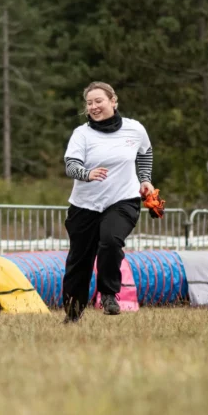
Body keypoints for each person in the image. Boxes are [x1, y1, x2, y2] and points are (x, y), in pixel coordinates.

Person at [61, 81, 155, 323]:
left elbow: (145, 152)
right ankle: (72, 314)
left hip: (123, 199)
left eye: (98, 101)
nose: (93, 106)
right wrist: (87, 174)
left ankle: (109, 294)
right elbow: (71, 165)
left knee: (111, 241)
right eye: (89, 103)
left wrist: (145, 179)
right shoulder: (82, 134)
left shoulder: (134, 129)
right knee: (79, 262)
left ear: (113, 101)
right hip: (85, 206)